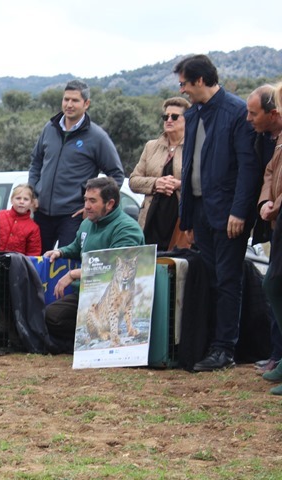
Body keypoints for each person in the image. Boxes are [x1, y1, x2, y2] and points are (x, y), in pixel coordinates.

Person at [174, 54, 259, 372]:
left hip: (228, 216)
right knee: (207, 279)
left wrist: (239, 212)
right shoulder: (193, 115)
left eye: (184, 83)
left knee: (227, 280)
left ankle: (225, 348)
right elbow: (190, 169)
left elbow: (247, 168)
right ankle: (207, 342)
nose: (182, 90)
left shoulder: (237, 112)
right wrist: (188, 218)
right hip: (200, 213)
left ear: (199, 80)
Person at [43, 177, 145, 352]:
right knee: (49, 315)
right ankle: (81, 341)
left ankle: (92, 342)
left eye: (92, 201)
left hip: (115, 294)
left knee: (55, 317)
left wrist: (73, 274)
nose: (86, 206)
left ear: (110, 203)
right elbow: (77, 246)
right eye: (85, 200)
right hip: (86, 292)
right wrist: (61, 251)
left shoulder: (126, 229)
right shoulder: (87, 223)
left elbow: (115, 270)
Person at [28, 79, 124, 253]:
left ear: (86, 104)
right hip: (41, 213)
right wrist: (32, 192)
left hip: (73, 216)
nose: (69, 105)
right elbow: (36, 162)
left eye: (75, 100)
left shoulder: (97, 136)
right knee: (36, 266)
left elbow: (116, 174)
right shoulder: (49, 128)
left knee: (67, 266)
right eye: (66, 99)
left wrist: (92, 206)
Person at [246, 84, 282, 375]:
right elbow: (271, 171)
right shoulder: (277, 138)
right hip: (276, 218)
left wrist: (276, 202)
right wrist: (266, 201)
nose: (249, 119)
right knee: (273, 284)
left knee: (274, 283)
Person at [129, 97, 191, 250]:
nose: (169, 120)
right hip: (151, 218)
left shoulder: (195, 147)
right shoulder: (151, 146)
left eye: (174, 116)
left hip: (179, 219)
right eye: (166, 116)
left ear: (187, 120)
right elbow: (133, 181)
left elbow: (204, 182)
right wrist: (156, 183)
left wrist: (179, 184)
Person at [0, 183, 42, 256]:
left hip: (17, 265)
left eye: (26, 199)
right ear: (12, 200)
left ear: (31, 203)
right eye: (18, 198)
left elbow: (33, 254)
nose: (21, 202)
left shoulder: (33, 228)